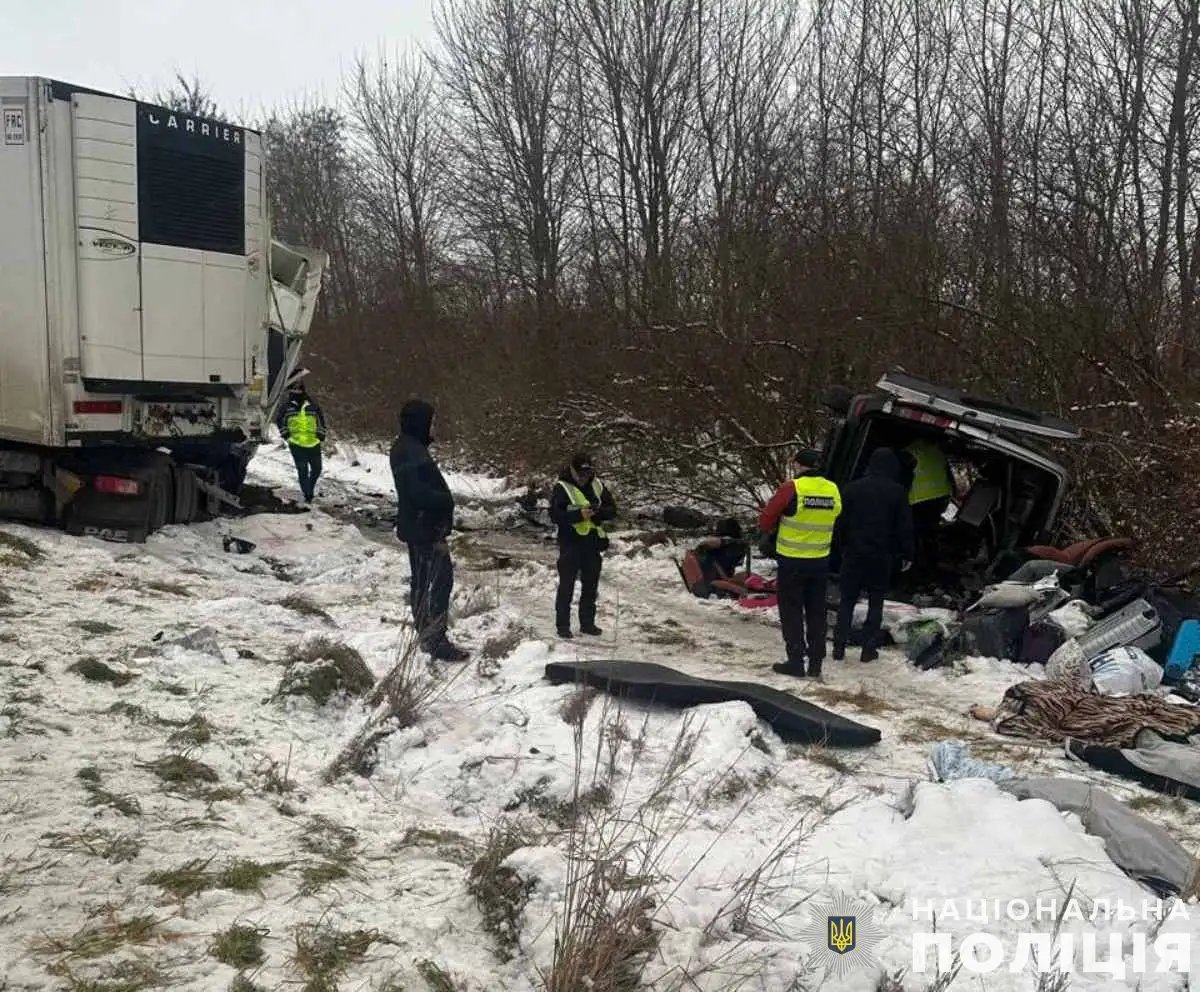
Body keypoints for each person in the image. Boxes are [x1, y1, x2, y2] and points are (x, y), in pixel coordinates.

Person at [390, 400, 469, 662]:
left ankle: (428, 633)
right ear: (419, 422)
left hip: (423, 526)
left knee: (425, 580)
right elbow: (416, 492)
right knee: (437, 580)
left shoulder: (412, 448)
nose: (434, 425)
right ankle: (435, 639)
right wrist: (445, 501)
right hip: (424, 528)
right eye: (430, 421)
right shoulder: (408, 450)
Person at [758, 449, 842, 678]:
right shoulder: (832, 489)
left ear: (798, 465)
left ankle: (795, 662)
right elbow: (836, 515)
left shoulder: (791, 488)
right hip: (820, 561)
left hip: (792, 561)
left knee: (792, 611)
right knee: (817, 612)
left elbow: (765, 521)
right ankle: (816, 664)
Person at [832, 447, 914, 663]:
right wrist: (907, 554)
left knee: (847, 600)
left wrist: (841, 548)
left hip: (854, 554)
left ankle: (838, 646)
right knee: (876, 602)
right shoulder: (897, 492)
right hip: (881, 556)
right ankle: (868, 649)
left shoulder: (851, 489)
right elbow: (904, 526)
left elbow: (840, 523)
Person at [550, 452, 617, 639]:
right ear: (572, 470)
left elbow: (612, 510)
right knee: (567, 586)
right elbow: (556, 515)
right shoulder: (562, 487)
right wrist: (579, 515)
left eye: (587, 473)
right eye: (580, 473)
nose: (584, 477)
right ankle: (563, 626)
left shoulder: (597, 484)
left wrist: (597, 513)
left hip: (592, 543)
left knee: (590, 586)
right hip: (570, 542)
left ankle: (587, 624)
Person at [904, 437, 955, 582]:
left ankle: (917, 567)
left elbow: (904, 479)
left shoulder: (910, 451)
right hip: (940, 497)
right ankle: (930, 564)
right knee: (929, 533)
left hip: (919, 501)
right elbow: (948, 474)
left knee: (917, 535)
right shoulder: (937, 450)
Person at [276, 380, 327, 503]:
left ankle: (309, 488)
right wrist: (286, 434)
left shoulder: (312, 405)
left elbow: (320, 420)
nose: (297, 392)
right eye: (294, 390)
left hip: (313, 443)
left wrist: (321, 434)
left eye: (299, 390)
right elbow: (279, 421)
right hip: (296, 444)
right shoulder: (286, 407)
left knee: (317, 469)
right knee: (302, 469)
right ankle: (308, 494)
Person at [690, 518, 750, 598]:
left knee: (748, 577)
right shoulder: (730, 544)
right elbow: (707, 543)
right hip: (714, 581)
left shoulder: (737, 545)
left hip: (722, 578)